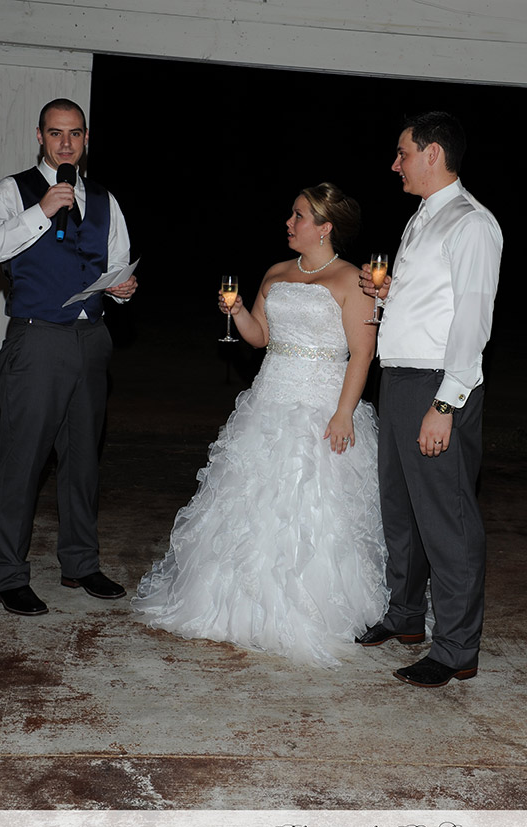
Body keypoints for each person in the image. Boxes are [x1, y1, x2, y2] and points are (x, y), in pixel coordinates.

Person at [132, 183, 389, 668]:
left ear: (324, 227)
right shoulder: (275, 272)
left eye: (298, 216)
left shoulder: (352, 280)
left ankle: (313, 608)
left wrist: (343, 413)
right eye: (291, 215)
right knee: (248, 504)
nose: (288, 223)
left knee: (312, 510)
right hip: (269, 402)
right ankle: (234, 606)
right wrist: (236, 313)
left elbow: (363, 352)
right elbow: (260, 337)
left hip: (322, 410)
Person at [0, 98, 137, 616]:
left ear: (86, 139)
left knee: (83, 460)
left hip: (91, 339)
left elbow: (116, 261)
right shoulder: (14, 191)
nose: (66, 143)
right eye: (56, 133)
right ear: (39, 136)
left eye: (75, 133)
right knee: (24, 462)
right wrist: (39, 212)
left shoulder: (103, 198)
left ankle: (80, 563)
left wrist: (121, 288)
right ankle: (8, 576)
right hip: (37, 339)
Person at [356, 111, 503, 687]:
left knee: (447, 518)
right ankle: (405, 615)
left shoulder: (471, 223)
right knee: (401, 508)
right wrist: (389, 296)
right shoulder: (423, 216)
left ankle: (457, 648)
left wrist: (445, 405)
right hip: (399, 377)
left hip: (438, 384)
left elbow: (472, 320)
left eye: (403, 153)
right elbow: (433, 305)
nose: (395, 164)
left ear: (433, 153)